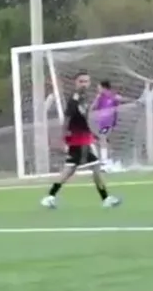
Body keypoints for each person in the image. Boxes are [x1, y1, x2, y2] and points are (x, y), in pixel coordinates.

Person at [40, 72, 121, 210]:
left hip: (82, 139)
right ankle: (106, 199)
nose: (84, 84)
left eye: (86, 81)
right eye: (81, 81)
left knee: (69, 170)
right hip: (78, 141)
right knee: (95, 167)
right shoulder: (74, 99)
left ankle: (50, 197)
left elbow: (83, 119)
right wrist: (63, 138)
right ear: (76, 83)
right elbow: (67, 119)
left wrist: (92, 134)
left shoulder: (83, 98)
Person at [90, 81, 122, 165]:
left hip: (109, 122)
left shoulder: (113, 96)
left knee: (103, 138)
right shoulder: (100, 98)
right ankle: (113, 158)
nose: (98, 90)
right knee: (101, 141)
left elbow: (120, 100)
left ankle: (104, 160)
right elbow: (92, 108)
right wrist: (96, 99)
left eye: (99, 88)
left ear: (104, 88)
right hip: (100, 123)